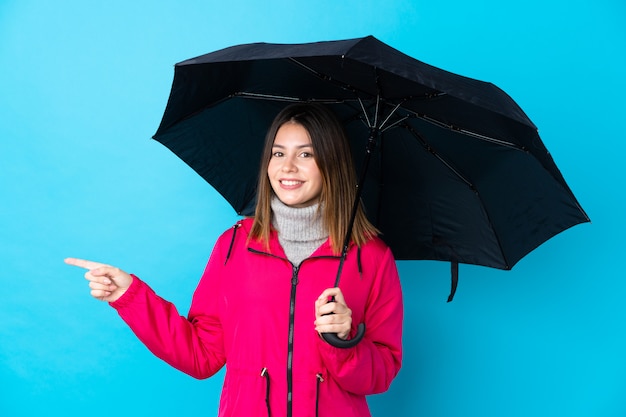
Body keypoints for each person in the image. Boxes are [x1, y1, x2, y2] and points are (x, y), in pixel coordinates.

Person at [66, 103, 403, 417]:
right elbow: (201, 355)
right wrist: (130, 296)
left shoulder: (371, 257)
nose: (287, 167)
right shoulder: (234, 246)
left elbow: (380, 375)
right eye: (278, 153)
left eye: (306, 154)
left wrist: (345, 341)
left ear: (332, 163)